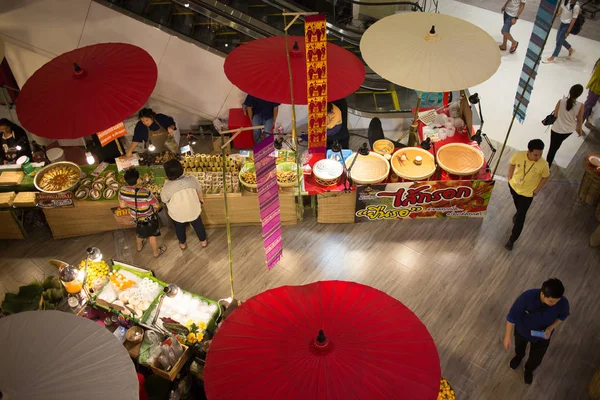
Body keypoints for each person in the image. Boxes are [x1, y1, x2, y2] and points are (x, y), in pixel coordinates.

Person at [504, 278, 570, 385]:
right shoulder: (526, 298)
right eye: (551, 301)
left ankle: (529, 369)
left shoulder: (562, 302)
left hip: (543, 336)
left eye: (556, 301)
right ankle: (518, 357)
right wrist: (507, 336)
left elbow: (562, 316)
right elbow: (511, 317)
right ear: (542, 294)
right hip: (522, 331)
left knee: (537, 358)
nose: (554, 304)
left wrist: (551, 328)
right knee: (519, 347)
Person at [505, 139, 550, 250]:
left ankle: (512, 239)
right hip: (514, 187)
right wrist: (510, 178)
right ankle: (518, 212)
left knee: (521, 217)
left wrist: (536, 191)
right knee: (518, 207)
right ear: (528, 151)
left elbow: (545, 177)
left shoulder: (544, 164)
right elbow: (512, 164)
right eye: (535, 155)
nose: (537, 157)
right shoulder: (519, 155)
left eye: (540, 155)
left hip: (528, 194)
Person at [118, 168, 167, 258]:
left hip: (135, 216)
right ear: (138, 179)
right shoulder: (145, 192)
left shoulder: (122, 190)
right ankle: (156, 252)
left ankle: (139, 247)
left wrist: (131, 203)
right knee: (152, 235)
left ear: (125, 180)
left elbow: (122, 206)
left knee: (139, 231)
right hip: (149, 217)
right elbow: (156, 205)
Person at [161, 159, 207, 249]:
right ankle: (203, 241)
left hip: (178, 214)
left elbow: (164, 199)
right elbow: (199, 191)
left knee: (179, 229)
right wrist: (201, 199)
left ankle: (182, 243)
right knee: (198, 226)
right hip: (193, 210)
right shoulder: (191, 179)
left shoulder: (167, 186)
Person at [547, 84, 584, 167]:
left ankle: (547, 166)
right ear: (579, 95)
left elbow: (555, 115)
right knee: (557, 144)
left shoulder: (561, 101)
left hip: (556, 128)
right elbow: (579, 120)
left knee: (552, 148)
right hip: (568, 130)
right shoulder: (581, 105)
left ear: (570, 91)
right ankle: (553, 154)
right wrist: (580, 130)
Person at [583, 58, 600, 122]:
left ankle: (589, 121)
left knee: (594, 108)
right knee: (588, 106)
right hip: (595, 88)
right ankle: (579, 125)